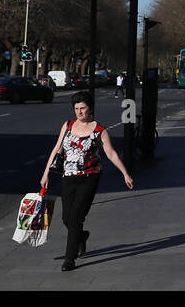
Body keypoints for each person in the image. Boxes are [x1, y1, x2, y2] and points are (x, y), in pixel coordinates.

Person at [40, 91, 134, 271]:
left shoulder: (99, 130)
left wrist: (125, 174)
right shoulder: (67, 125)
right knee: (66, 218)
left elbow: (111, 154)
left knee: (75, 216)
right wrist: (46, 174)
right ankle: (81, 236)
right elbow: (56, 150)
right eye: (76, 109)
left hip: (89, 177)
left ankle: (70, 259)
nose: (79, 112)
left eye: (82, 108)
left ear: (90, 108)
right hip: (68, 177)